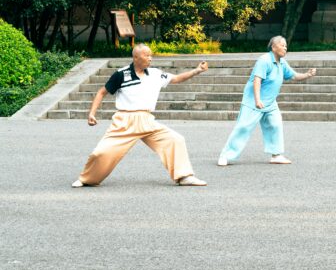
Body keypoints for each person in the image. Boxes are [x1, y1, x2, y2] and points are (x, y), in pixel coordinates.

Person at [72, 44, 209, 187]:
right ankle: (86, 179)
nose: (150, 58)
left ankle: (184, 177)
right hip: (125, 121)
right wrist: (91, 114)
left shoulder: (155, 74)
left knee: (176, 140)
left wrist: (197, 70)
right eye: (146, 55)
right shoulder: (121, 74)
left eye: (151, 55)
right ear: (136, 57)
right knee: (101, 153)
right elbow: (101, 92)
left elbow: (176, 78)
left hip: (146, 119)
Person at [217, 36, 317, 166]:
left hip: (270, 103)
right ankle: (225, 155)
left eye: (286, 45)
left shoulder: (282, 63)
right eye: (282, 45)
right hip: (253, 101)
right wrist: (258, 100)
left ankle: (276, 155)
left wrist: (307, 74)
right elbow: (257, 80)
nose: (285, 47)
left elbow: (294, 76)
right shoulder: (264, 60)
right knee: (243, 127)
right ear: (273, 47)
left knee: (275, 125)